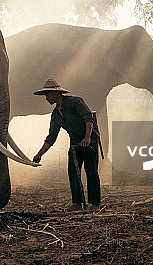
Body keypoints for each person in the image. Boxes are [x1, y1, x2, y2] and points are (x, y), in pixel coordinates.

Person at [32, 78, 101, 211]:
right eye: (45, 95)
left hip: (90, 141)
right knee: (73, 172)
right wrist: (39, 154)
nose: (46, 98)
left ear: (57, 93)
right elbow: (51, 137)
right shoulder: (56, 115)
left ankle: (95, 204)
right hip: (75, 144)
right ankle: (77, 203)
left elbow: (88, 118)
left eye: (48, 94)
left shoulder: (75, 102)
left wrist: (87, 137)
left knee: (91, 171)